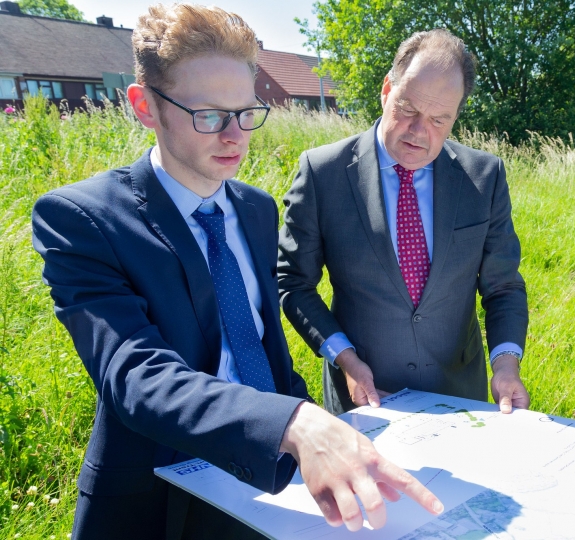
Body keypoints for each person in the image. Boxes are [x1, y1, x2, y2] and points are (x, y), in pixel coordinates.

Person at [31, 5, 441, 539]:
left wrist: (317, 428)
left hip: (272, 480)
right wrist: (293, 424)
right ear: (145, 106)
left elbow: (261, 348)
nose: (235, 137)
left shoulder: (255, 209)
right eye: (209, 116)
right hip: (158, 501)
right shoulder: (82, 219)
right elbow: (134, 376)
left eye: (246, 113)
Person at [278, 29, 529, 416]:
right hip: (365, 397)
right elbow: (293, 282)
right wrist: (343, 356)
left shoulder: (484, 176)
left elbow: (504, 287)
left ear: (456, 114)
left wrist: (506, 365)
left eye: (439, 119)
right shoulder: (322, 173)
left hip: (460, 395)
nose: (419, 132)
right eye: (408, 109)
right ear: (386, 89)